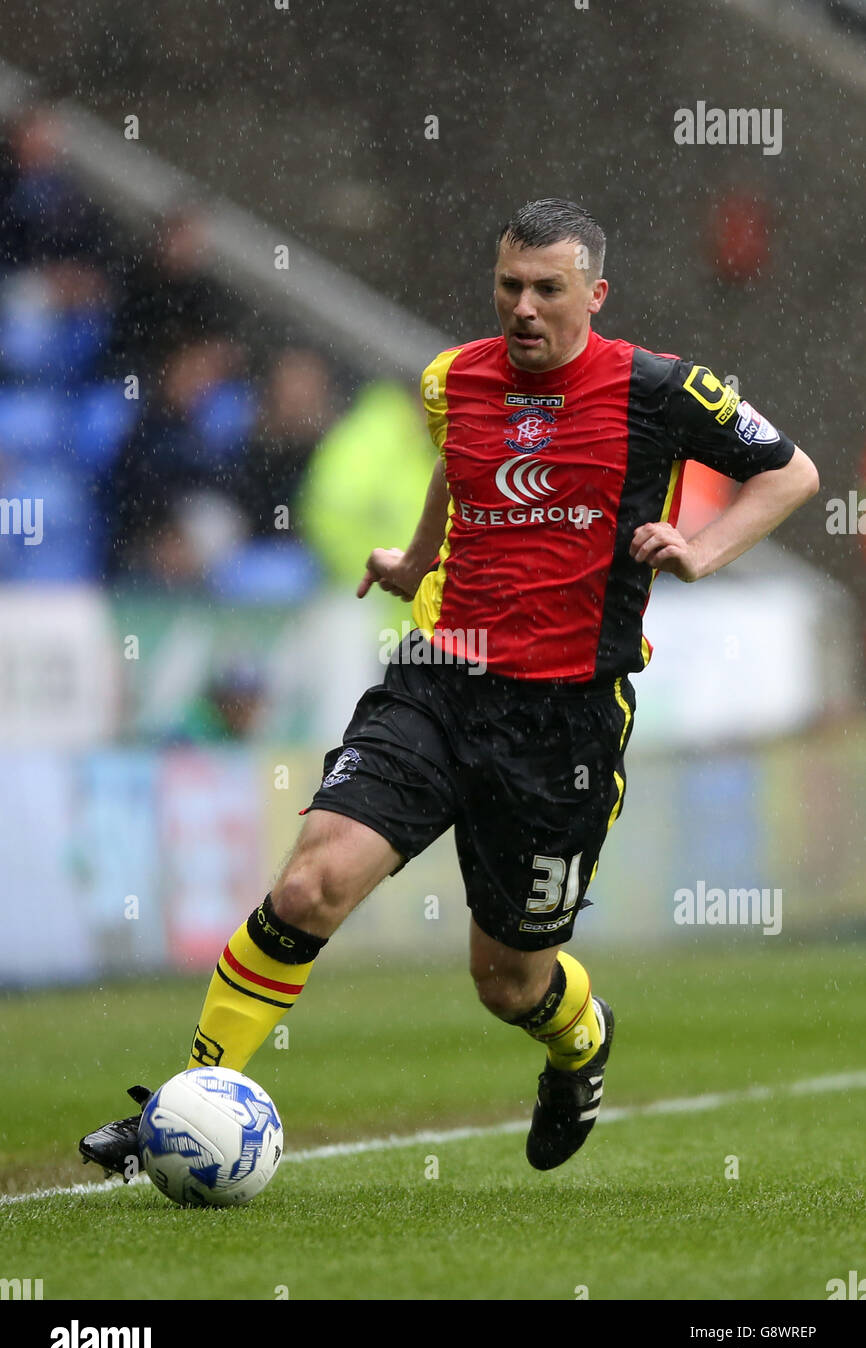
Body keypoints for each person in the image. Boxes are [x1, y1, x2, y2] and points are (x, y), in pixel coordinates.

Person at [80, 197, 819, 1177]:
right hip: (438, 677)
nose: (522, 307)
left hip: (563, 721)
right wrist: (415, 557)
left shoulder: (660, 389)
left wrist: (700, 549)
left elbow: (791, 473)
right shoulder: (451, 379)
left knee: (508, 980)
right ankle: (184, 1097)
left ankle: (581, 1041)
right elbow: (459, 470)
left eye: (545, 289)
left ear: (591, 295)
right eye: (508, 285)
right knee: (310, 882)